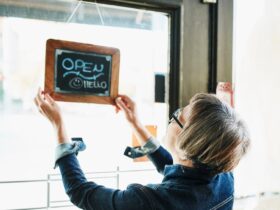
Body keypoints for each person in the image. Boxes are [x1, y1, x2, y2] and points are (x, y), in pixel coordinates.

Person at [34, 88, 250, 210]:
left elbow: (80, 192)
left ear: (187, 141)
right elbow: (181, 171)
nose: (171, 120)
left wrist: (58, 125)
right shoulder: (224, 177)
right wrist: (136, 124)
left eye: (177, 116)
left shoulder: (146, 202)